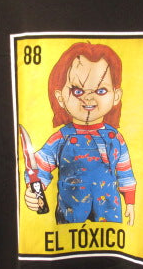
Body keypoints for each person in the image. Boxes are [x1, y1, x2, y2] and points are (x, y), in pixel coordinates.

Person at [24, 42, 136, 225]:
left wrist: (130, 202)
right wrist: (34, 191)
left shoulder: (116, 138)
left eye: (101, 90)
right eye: (77, 91)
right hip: (71, 212)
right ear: (60, 97)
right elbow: (39, 167)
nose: (88, 97)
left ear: (116, 95)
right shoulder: (61, 139)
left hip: (109, 211)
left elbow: (125, 171)